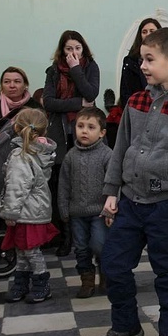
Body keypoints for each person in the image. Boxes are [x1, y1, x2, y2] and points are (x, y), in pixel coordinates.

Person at [93, 28, 168, 336]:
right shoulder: (136, 101)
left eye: (148, 59)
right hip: (130, 201)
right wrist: (111, 191)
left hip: (167, 206)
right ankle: (126, 325)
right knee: (113, 263)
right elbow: (120, 148)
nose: (141, 65)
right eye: (142, 58)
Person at [43, 30, 100, 257]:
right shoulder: (53, 71)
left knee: (82, 182)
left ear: (83, 49)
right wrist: (78, 103)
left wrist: (76, 70)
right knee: (61, 185)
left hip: (82, 129)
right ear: (62, 50)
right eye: (69, 49)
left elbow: (91, 92)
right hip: (59, 132)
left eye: (77, 48)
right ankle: (64, 237)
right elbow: (48, 102)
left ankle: (83, 235)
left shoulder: (90, 67)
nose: (73, 53)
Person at [0, 108, 59, 304]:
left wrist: (10, 212)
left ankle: (41, 284)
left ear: (16, 127)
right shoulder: (42, 152)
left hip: (24, 211)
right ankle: (21, 284)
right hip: (37, 209)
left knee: (29, 251)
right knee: (24, 250)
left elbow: (17, 186)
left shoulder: (20, 155)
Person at [58, 107, 112, 298]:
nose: (84, 131)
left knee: (99, 245)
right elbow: (63, 184)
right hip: (77, 213)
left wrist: (110, 209)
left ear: (101, 133)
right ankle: (86, 281)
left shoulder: (107, 155)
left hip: (99, 212)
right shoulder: (71, 156)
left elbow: (114, 185)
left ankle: (105, 275)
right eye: (80, 126)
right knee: (81, 248)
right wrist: (63, 208)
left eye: (91, 127)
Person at [120, 17, 161, 108]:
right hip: (138, 108)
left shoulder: (166, 58)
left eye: (152, 31)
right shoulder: (130, 61)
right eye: (144, 32)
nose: (148, 34)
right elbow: (125, 92)